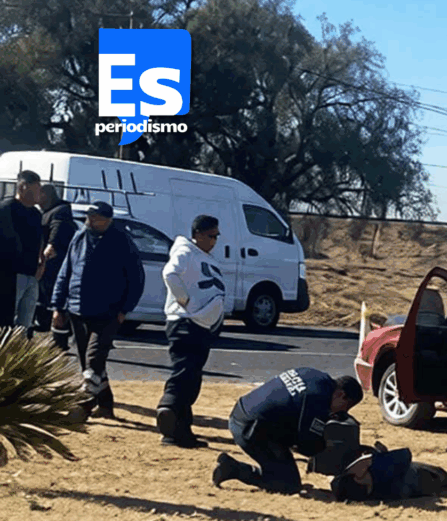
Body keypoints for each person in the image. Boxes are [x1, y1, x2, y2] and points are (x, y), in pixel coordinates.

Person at [51, 201, 145, 421]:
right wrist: (58, 306)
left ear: (108, 220)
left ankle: (82, 407)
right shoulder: (80, 237)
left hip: (108, 313)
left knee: (94, 359)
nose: (90, 220)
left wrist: (125, 310)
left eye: (95, 217)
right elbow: (66, 272)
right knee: (88, 362)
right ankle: (105, 404)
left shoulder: (121, 241)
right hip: (77, 309)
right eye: (89, 216)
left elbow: (137, 278)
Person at [211, 368, 363, 494]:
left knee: (285, 470)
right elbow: (308, 446)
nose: (339, 414)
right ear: (341, 395)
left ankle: (240, 468)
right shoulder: (318, 400)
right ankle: (232, 469)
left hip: (243, 412)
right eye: (344, 408)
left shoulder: (315, 375)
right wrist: (330, 448)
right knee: (289, 485)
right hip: (251, 429)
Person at [156, 215, 227, 449]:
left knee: (192, 376)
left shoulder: (203, 256)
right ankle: (168, 406)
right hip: (185, 321)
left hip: (200, 324)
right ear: (197, 234)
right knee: (185, 371)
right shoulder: (185, 251)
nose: (215, 240)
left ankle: (180, 432)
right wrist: (184, 300)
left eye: (217, 236)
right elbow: (170, 273)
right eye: (210, 236)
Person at [35, 184, 76, 348]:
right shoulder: (47, 212)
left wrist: (46, 254)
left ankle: (60, 342)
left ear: (45, 195)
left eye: (39, 194)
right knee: (47, 304)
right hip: (49, 267)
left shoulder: (59, 212)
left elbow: (56, 235)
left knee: (56, 305)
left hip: (53, 267)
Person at [2, 170, 44, 331]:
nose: (40, 193)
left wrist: (42, 263)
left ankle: (21, 352)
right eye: (37, 188)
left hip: (32, 275)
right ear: (23, 187)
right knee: (6, 320)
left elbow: (39, 240)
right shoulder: (6, 209)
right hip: (10, 276)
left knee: (25, 324)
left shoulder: (35, 214)